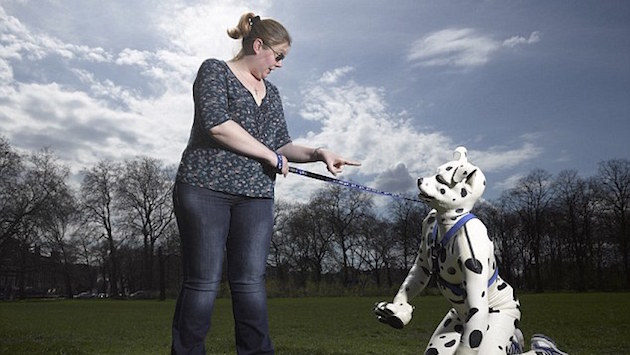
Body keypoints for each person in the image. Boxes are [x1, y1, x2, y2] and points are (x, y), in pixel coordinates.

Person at [170, 12, 360, 355]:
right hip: (204, 188)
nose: (280, 65)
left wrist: (319, 152)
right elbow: (218, 125)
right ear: (258, 45)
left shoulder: (271, 94)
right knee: (203, 283)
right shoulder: (215, 71)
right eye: (279, 56)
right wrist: (271, 157)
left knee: (250, 284)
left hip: (256, 196)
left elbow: (282, 145)